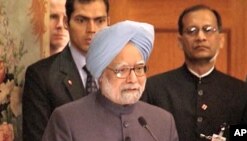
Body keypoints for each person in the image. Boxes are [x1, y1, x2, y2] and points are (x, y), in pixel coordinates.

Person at [42, 20, 179, 141]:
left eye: (139, 68)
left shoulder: (164, 122)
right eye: (122, 70)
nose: (132, 79)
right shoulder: (66, 119)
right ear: (101, 75)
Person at [141, 4, 247, 141]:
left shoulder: (242, 92)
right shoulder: (154, 88)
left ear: (221, 40)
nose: (200, 37)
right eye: (192, 30)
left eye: (208, 30)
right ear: (180, 41)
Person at [22, 0, 110, 141]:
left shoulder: (122, 71)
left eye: (100, 21)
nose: (92, 29)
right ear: (66, 22)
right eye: (81, 20)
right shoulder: (41, 76)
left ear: (108, 23)